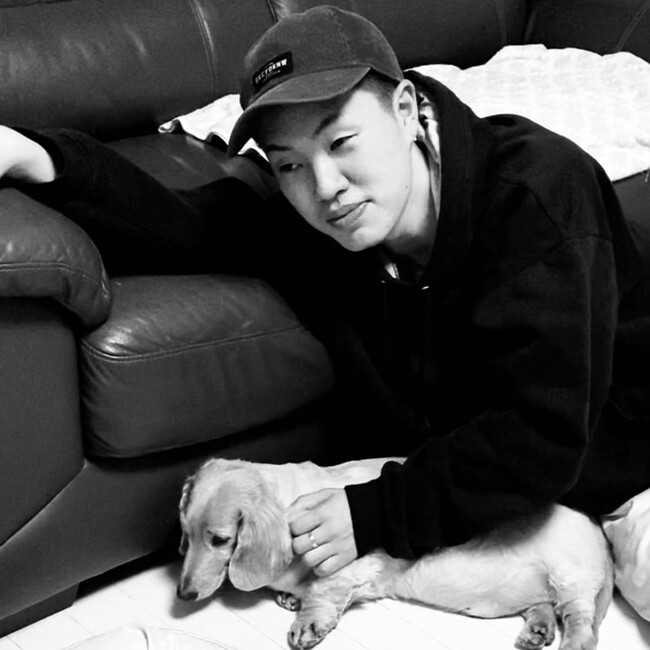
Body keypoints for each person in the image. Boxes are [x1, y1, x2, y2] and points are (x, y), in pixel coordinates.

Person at [3, 4, 650, 619]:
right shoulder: (318, 228)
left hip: (618, 464)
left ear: (405, 110)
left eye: (341, 141)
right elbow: (184, 222)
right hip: (489, 491)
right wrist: (40, 158)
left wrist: (374, 514)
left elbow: (542, 434)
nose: (325, 187)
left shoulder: (539, 195)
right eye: (289, 164)